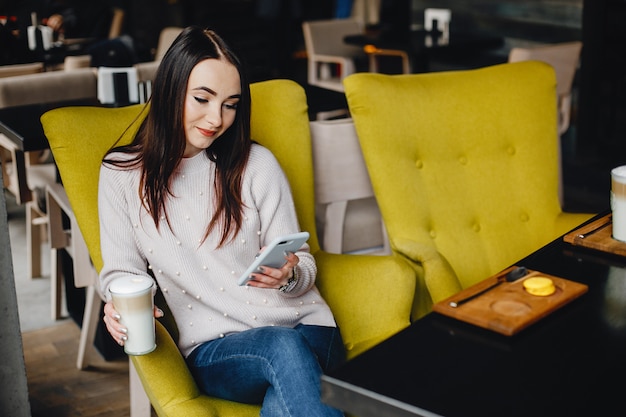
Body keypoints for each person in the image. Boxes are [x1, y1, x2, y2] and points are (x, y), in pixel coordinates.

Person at [99, 26, 345, 416]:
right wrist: (114, 302)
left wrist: (290, 277)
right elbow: (120, 272)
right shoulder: (121, 174)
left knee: (284, 392)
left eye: (230, 104)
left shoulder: (256, 165)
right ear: (169, 89)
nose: (217, 118)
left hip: (308, 331)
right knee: (282, 350)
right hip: (217, 351)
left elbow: (305, 264)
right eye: (202, 98)